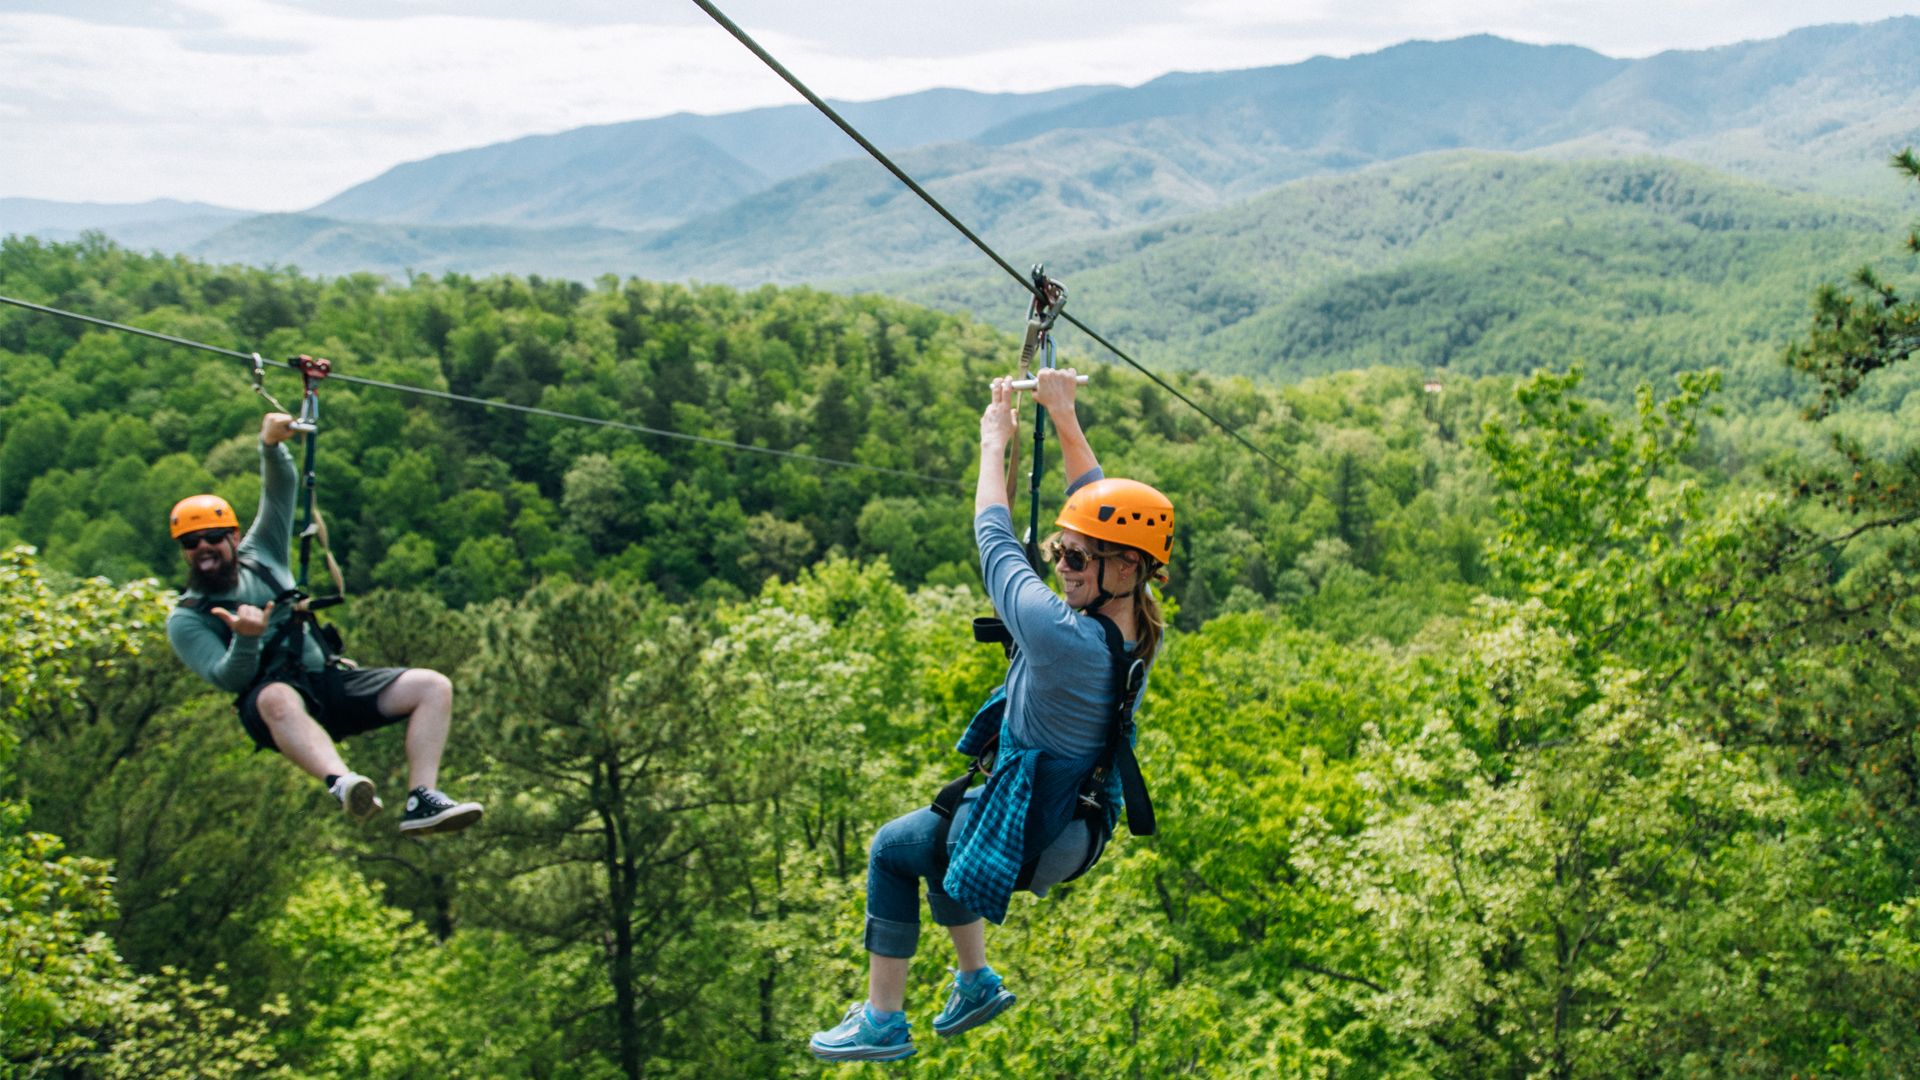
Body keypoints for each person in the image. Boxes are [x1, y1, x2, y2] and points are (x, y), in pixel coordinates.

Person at [810, 367, 1173, 1062]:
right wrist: (1063, 417)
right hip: (1072, 819)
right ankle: (974, 980)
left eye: (1075, 558)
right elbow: (1097, 507)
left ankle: (883, 1021)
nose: (1061, 565)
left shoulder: (1060, 637)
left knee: (892, 849)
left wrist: (992, 443)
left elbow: (993, 540)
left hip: (1037, 824)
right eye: (1060, 552)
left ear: (1125, 569)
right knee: (942, 838)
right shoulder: (1138, 631)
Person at [165, 411, 483, 836]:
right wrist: (245, 641)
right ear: (183, 552)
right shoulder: (187, 618)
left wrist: (271, 446)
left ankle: (421, 798)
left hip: (326, 682)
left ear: (233, 538)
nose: (203, 548)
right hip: (273, 707)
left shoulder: (264, 555)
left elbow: (280, 493)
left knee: (432, 686)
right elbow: (226, 678)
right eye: (190, 543)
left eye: (212, 537)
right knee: (277, 694)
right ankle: (342, 782)